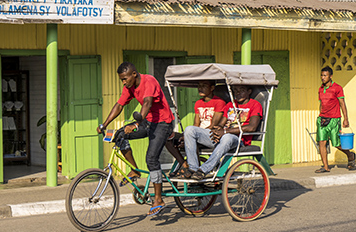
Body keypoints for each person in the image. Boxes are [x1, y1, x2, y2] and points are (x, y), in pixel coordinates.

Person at [97, 62, 174, 216]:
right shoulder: (129, 87)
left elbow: (147, 102)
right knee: (120, 135)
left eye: (125, 79)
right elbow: (119, 106)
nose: (124, 83)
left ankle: (158, 199)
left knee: (151, 159)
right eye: (121, 80)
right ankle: (134, 170)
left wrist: (137, 123)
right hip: (147, 121)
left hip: (162, 123)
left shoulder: (149, 81)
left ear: (134, 74)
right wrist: (104, 124)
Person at [178, 85, 262, 180]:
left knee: (228, 137)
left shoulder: (255, 105)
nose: (238, 93)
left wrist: (225, 131)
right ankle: (193, 168)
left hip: (238, 139)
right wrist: (216, 132)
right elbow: (221, 124)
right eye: (236, 90)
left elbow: (252, 127)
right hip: (223, 136)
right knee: (189, 130)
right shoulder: (230, 105)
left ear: (249, 91)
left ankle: (203, 170)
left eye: (242, 90)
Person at [167, 80, 225, 177]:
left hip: (211, 135)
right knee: (168, 136)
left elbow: (213, 125)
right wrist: (186, 136)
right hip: (197, 134)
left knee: (190, 130)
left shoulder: (219, 102)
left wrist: (191, 134)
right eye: (199, 86)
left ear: (212, 88)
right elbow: (196, 124)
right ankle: (183, 164)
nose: (200, 88)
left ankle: (192, 168)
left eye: (204, 85)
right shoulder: (198, 103)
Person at [315, 66, 356, 173]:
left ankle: (350, 155)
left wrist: (346, 119)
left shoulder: (337, 88)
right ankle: (325, 166)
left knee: (336, 143)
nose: (323, 77)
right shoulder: (320, 89)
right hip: (322, 119)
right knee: (321, 142)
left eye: (325, 75)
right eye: (322, 75)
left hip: (334, 119)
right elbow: (321, 104)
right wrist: (320, 115)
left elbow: (342, 104)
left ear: (330, 76)